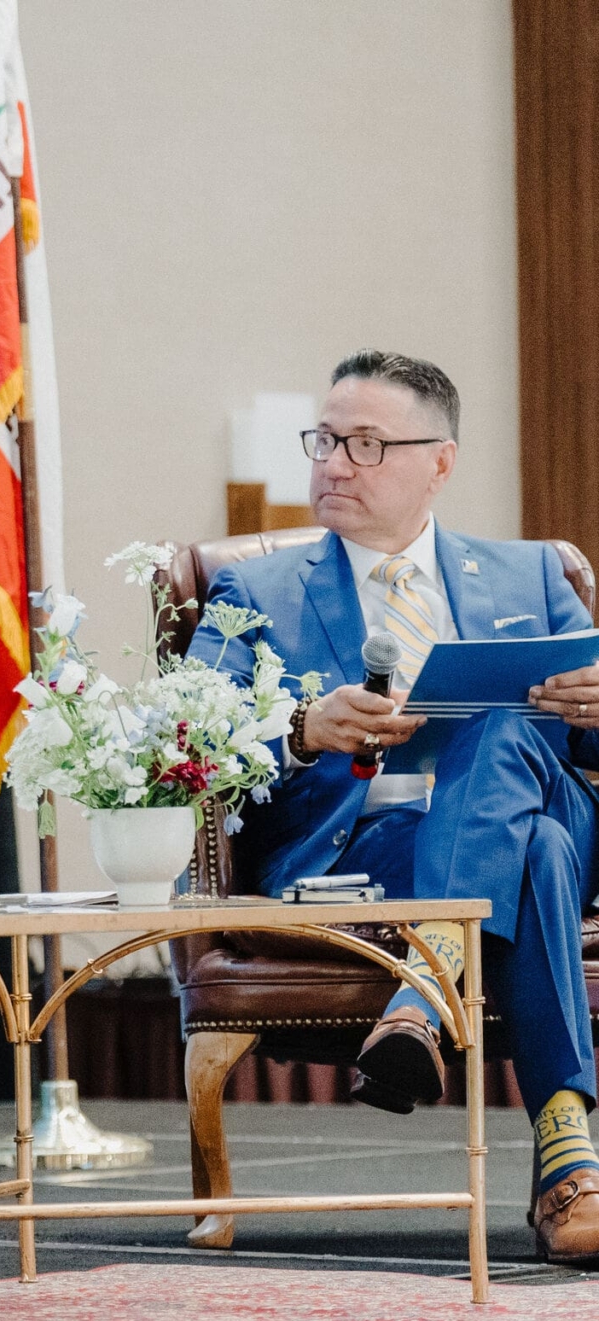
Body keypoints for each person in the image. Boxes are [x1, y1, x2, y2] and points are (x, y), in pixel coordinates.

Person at [188, 349, 599, 1263]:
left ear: (439, 462)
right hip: (361, 853)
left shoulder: (532, 576)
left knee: (504, 733)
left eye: (366, 444)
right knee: (536, 855)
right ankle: (569, 1164)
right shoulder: (251, 593)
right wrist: (300, 728)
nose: (333, 462)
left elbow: (588, 753)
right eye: (325, 439)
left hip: (537, 814)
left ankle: (424, 988)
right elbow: (187, 752)